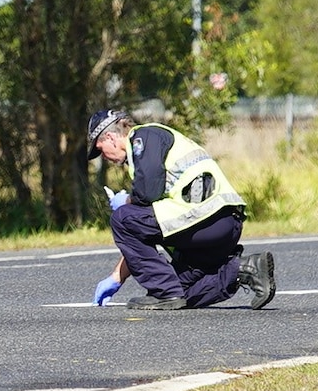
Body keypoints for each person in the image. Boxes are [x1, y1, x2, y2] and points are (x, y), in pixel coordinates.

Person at [86, 109, 276, 310]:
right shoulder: (149, 146)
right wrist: (117, 278)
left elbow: (147, 193)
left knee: (122, 219)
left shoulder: (144, 137)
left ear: (110, 137)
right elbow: (141, 235)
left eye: (101, 149)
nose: (105, 158)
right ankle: (243, 269)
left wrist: (126, 202)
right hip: (219, 226)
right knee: (180, 292)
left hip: (206, 221)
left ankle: (165, 294)